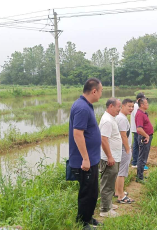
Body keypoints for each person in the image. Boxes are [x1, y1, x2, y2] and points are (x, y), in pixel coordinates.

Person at [68, 78, 103, 229]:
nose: (101, 94)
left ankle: (88, 217)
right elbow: (77, 134)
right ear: (94, 91)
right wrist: (86, 159)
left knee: (93, 191)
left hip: (92, 158)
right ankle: (82, 222)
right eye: (101, 91)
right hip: (85, 161)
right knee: (86, 192)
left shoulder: (86, 105)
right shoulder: (82, 107)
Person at [99, 98, 122, 218]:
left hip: (114, 157)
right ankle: (104, 210)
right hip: (109, 158)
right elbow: (104, 139)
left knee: (111, 181)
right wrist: (109, 156)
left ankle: (108, 204)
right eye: (119, 107)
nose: (120, 109)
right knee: (107, 183)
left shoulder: (111, 118)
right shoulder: (107, 120)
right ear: (111, 106)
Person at [114, 99, 136, 204]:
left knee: (118, 171)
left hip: (119, 148)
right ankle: (121, 196)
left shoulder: (119, 117)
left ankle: (117, 192)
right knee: (121, 172)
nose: (131, 108)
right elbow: (123, 135)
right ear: (123, 106)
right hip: (123, 148)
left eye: (132, 106)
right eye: (129, 106)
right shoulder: (122, 119)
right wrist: (128, 149)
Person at [135, 97, 154, 183]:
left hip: (147, 136)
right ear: (142, 105)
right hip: (144, 138)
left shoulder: (143, 113)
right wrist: (146, 136)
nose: (148, 105)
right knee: (142, 157)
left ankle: (141, 174)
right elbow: (139, 129)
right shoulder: (139, 114)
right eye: (146, 103)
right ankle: (139, 177)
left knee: (144, 156)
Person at [130, 92, 148, 171]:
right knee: (140, 146)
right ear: (139, 99)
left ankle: (135, 162)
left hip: (135, 128)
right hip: (138, 129)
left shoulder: (134, 106)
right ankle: (138, 163)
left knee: (136, 146)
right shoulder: (137, 107)